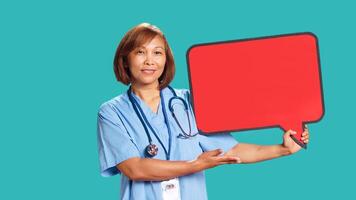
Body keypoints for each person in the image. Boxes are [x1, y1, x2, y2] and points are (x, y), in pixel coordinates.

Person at [97, 23, 310, 200]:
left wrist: (282, 149)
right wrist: (196, 164)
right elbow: (135, 169)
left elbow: (231, 151)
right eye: (140, 52)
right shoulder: (112, 112)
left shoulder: (189, 101)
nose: (150, 61)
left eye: (157, 52)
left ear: (166, 59)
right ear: (125, 59)